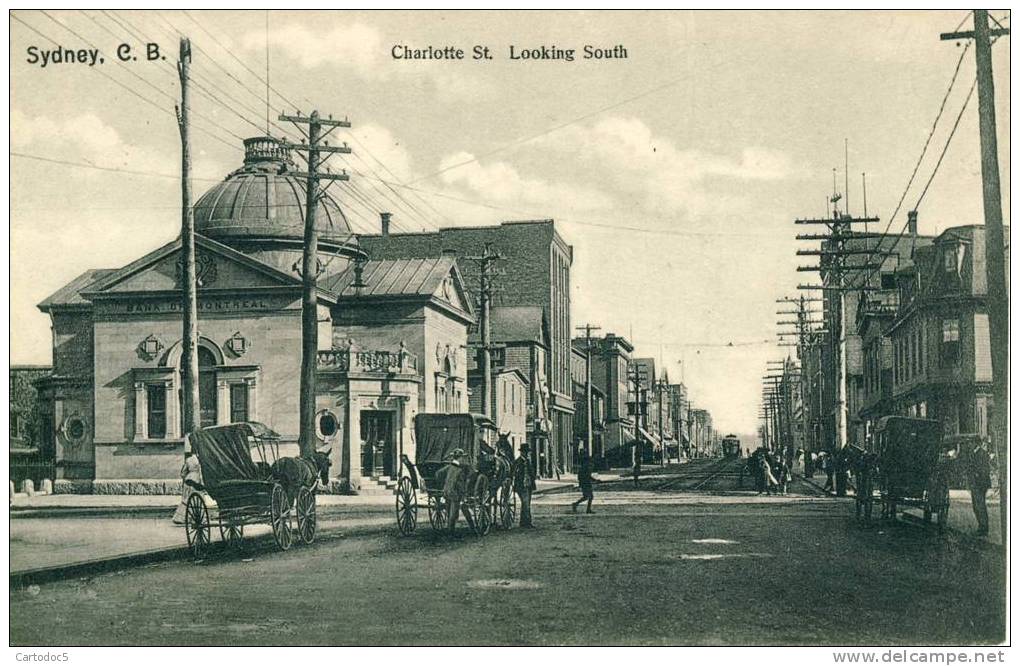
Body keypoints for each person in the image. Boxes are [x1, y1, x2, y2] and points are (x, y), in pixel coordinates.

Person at [965, 439, 992, 536]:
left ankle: (983, 529)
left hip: (980, 484)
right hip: (975, 484)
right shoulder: (973, 453)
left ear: (975, 443)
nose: (969, 445)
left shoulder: (982, 454)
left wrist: (977, 476)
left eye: (970, 443)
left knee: (980, 506)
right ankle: (981, 527)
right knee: (976, 506)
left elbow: (984, 470)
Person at [172, 452, 203, 525]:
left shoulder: (188, 460)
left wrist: (186, 477)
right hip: (197, 479)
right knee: (197, 499)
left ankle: (180, 517)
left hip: (188, 479)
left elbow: (183, 473)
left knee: (186, 498)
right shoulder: (200, 459)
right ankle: (193, 517)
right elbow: (201, 472)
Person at [513, 442, 537, 528]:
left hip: (529, 485)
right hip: (521, 486)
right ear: (522, 452)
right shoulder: (518, 462)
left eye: (527, 452)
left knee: (526, 504)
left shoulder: (528, 461)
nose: (526, 453)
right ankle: (528, 523)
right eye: (525, 452)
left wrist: (533, 478)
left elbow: (531, 472)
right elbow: (515, 473)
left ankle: (523, 522)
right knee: (525, 503)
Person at [571, 448, 596, 514]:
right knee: (590, 496)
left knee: (586, 496)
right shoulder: (586, 466)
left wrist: (594, 480)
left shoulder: (585, 466)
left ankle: (576, 504)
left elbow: (585, 476)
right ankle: (587, 509)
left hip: (585, 483)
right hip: (586, 483)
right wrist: (594, 480)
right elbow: (586, 476)